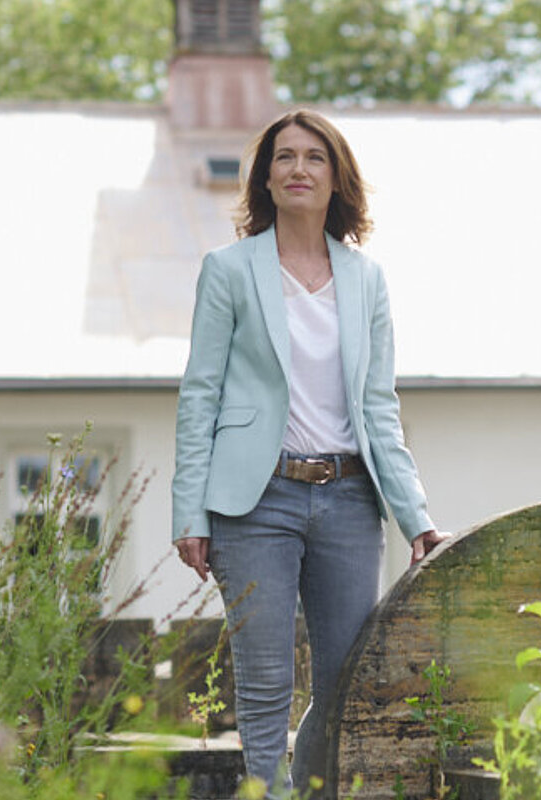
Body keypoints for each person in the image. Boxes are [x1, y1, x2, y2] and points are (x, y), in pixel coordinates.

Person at [172, 109, 448, 797]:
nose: (299, 168)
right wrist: (190, 513)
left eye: (315, 157)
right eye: (285, 157)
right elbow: (199, 395)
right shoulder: (229, 271)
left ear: (336, 177)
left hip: (351, 501)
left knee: (345, 680)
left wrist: (416, 517)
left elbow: (380, 407)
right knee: (265, 683)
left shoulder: (366, 279)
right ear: (266, 177)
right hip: (253, 500)